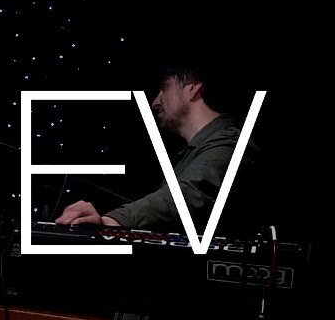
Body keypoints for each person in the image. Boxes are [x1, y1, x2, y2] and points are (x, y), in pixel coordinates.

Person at [55, 60, 263, 233]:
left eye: (164, 88)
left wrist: (113, 222)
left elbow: (189, 194)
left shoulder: (232, 144)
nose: (155, 102)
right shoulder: (196, 151)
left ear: (192, 89)